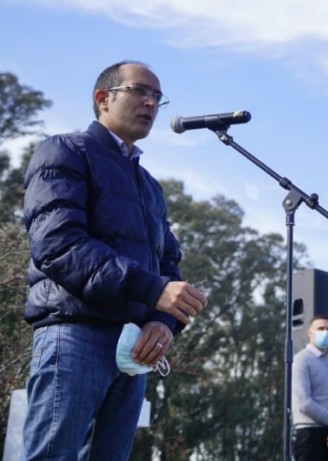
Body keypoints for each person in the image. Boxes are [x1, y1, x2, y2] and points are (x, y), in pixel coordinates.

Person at [21, 60, 208, 460]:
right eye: (140, 91)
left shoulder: (150, 187)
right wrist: (154, 290)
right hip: (73, 335)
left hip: (132, 352)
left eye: (157, 97)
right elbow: (58, 245)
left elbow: (168, 265)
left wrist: (164, 322)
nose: (150, 103)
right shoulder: (65, 151)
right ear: (102, 99)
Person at [293, 315, 328, 461]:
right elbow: (304, 403)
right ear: (310, 332)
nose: (325, 332)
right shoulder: (301, 360)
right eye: (321, 328)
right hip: (310, 433)